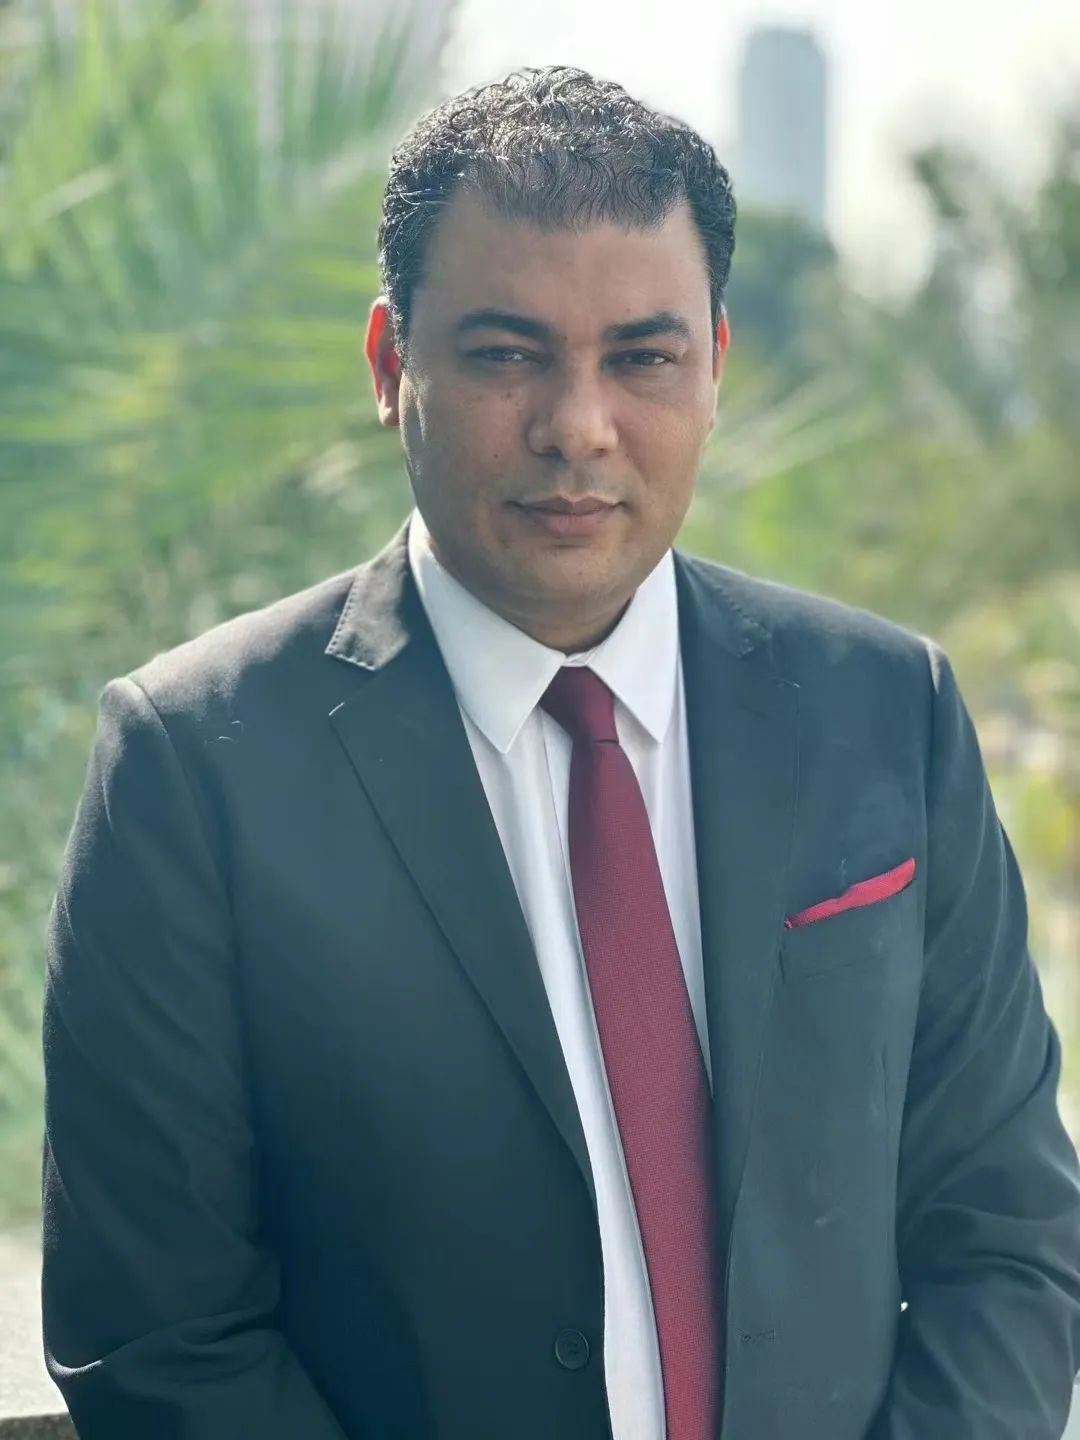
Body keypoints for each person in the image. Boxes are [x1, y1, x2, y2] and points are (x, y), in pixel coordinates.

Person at [40, 64, 1080, 1440]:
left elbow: (1010, 1236)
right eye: (505, 354)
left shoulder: (887, 708)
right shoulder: (195, 767)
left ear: (714, 367)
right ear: (390, 365)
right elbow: (159, 1334)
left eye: (641, 357)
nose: (578, 426)